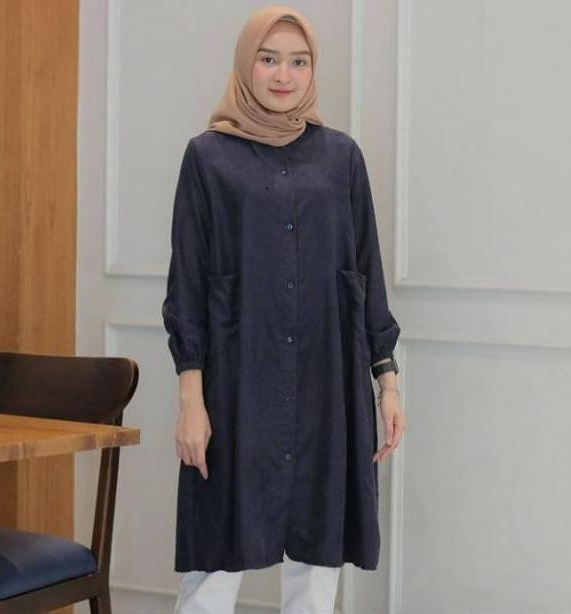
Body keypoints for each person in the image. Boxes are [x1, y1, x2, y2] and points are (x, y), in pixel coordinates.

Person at [161, 5, 405, 613]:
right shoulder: (208, 158)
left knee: (317, 565)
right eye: (269, 59)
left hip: (327, 382)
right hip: (237, 385)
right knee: (216, 561)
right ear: (247, 64)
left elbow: (365, 271)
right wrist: (191, 402)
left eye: (298, 62)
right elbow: (187, 284)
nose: (283, 75)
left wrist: (387, 382)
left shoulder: (341, 158)